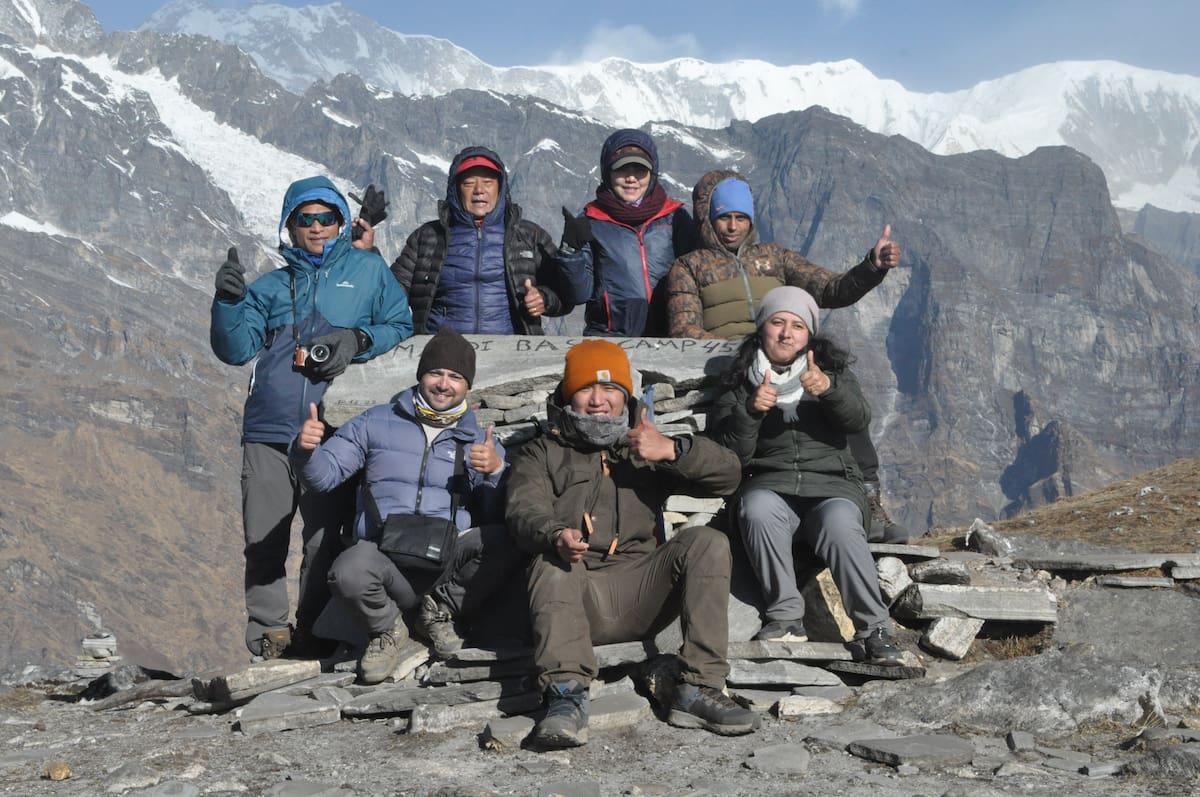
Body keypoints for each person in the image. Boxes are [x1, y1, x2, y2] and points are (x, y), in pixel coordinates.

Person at [505, 339, 758, 748]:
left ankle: (697, 688)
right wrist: (555, 534)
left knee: (706, 541)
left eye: (611, 390)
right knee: (549, 563)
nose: (598, 401)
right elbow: (523, 508)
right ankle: (566, 700)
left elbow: (729, 475)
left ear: (626, 397)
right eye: (587, 389)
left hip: (642, 593)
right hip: (576, 595)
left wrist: (673, 450)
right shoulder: (543, 451)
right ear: (569, 394)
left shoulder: (645, 445)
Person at [210, 176, 413, 660]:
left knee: (324, 540)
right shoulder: (270, 287)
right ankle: (268, 633)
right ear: (291, 226)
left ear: (341, 224)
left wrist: (357, 341)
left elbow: (400, 324)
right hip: (268, 428)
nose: (317, 227)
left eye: (327, 218)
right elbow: (235, 349)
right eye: (306, 219)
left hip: (337, 431)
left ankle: (315, 633)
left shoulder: (368, 272)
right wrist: (228, 304)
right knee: (264, 537)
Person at [666, 170, 909, 541]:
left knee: (841, 390)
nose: (732, 226)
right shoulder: (690, 267)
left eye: (740, 218)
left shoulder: (774, 257)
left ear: (751, 220)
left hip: (788, 355)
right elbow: (684, 329)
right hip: (735, 366)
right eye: (724, 217)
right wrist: (746, 349)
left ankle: (868, 497)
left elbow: (829, 288)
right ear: (709, 219)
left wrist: (871, 267)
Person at [291, 327, 522, 682]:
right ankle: (388, 631)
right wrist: (306, 452)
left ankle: (438, 612)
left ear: (467, 386)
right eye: (436, 373)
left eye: (456, 377)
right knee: (348, 570)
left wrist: (495, 473)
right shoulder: (376, 421)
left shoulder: (477, 439)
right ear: (421, 375)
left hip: (445, 563)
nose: (444, 384)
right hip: (385, 559)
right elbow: (323, 477)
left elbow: (497, 515)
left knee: (504, 542)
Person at [708, 287, 904, 664]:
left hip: (832, 484)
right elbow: (730, 452)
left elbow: (858, 419)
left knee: (841, 525)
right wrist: (750, 411)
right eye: (777, 322)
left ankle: (875, 629)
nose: (786, 333)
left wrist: (829, 392)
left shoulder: (830, 372)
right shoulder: (739, 382)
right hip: (770, 483)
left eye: (797, 325)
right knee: (758, 510)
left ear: (809, 334)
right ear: (761, 329)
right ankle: (784, 617)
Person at [390, 146, 569, 335]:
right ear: (455, 190)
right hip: (441, 352)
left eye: (488, 182)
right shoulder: (428, 237)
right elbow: (391, 292)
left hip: (512, 354)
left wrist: (544, 299)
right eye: (468, 183)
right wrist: (367, 253)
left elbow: (565, 293)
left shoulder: (529, 235)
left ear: (501, 188)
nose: (479, 190)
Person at [557, 129, 696, 337]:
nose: (631, 178)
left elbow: (697, 277)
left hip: (670, 338)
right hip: (609, 338)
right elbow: (578, 293)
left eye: (640, 170)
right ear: (607, 172)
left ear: (652, 173)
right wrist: (570, 251)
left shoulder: (675, 218)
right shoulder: (591, 221)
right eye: (622, 170)